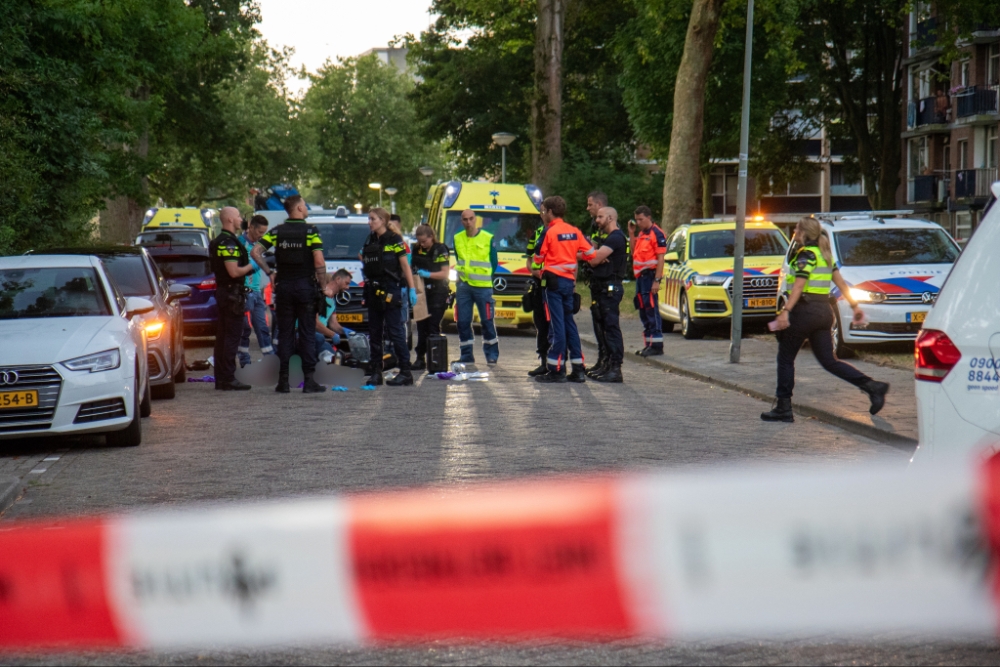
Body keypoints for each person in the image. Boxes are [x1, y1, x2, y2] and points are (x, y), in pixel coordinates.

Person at [761, 217, 890, 422]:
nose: (794, 231)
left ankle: (783, 407)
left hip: (804, 312)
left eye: (796, 228)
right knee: (829, 362)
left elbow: (799, 286)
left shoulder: (806, 255)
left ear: (803, 232)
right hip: (823, 312)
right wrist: (855, 306)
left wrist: (786, 310)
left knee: (785, 358)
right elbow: (840, 284)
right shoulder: (825, 255)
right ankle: (872, 386)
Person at [251, 195, 327, 394]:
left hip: (284, 288)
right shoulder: (311, 232)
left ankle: (283, 381)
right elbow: (318, 261)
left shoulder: (277, 232)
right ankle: (309, 380)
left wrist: (270, 272)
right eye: (305, 205)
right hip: (305, 288)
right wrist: (323, 286)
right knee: (307, 333)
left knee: (284, 334)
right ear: (300, 208)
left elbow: (256, 252)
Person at [531, 195, 595, 383]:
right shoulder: (574, 231)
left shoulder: (549, 232)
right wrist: (569, 253)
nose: (543, 214)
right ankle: (578, 368)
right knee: (569, 325)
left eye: (544, 211)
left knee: (557, 326)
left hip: (553, 284)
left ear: (550, 212)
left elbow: (537, 259)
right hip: (569, 283)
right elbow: (590, 253)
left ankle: (556, 369)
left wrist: (551, 257)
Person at [362, 207, 417, 386]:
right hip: (373, 291)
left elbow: (405, 266)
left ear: (383, 221)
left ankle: (406, 372)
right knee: (375, 332)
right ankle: (376, 372)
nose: (369, 222)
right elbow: (364, 258)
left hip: (390, 290)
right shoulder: (370, 239)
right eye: (369, 219)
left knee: (396, 332)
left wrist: (411, 288)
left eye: (373, 219)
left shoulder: (395, 240)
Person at [209, 207, 256, 391]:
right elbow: (233, 271)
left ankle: (221, 378)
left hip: (225, 293)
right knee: (231, 336)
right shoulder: (228, 243)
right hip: (231, 294)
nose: (240, 219)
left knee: (222, 336)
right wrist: (252, 266)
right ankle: (228, 378)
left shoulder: (219, 241)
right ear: (229, 219)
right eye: (237, 216)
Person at [585, 206, 628, 382]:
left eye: (601, 217)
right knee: (602, 328)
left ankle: (616, 368)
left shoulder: (616, 237)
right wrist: (595, 255)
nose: (597, 220)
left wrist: (594, 256)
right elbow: (595, 257)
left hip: (611, 288)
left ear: (610, 218)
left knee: (611, 328)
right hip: (602, 288)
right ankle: (607, 364)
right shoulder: (609, 239)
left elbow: (594, 260)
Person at [453, 209, 500, 365]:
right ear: (462, 221)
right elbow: (460, 260)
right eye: (465, 219)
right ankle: (467, 355)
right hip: (464, 286)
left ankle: (492, 354)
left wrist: (485, 277)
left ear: (475, 220)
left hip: (483, 287)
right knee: (462, 321)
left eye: (471, 219)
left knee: (487, 321)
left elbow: (494, 262)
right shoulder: (457, 238)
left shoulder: (487, 238)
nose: (468, 222)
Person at [410, 224, 450, 371]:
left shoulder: (440, 249)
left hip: (437, 293)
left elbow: (444, 273)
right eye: (419, 241)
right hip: (421, 292)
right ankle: (420, 358)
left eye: (424, 241)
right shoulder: (417, 248)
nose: (422, 244)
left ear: (431, 237)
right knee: (421, 327)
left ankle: (435, 359)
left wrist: (428, 275)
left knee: (432, 327)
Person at [628, 205, 667, 357]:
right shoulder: (642, 234)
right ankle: (649, 343)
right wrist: (631, 234)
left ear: (649, 217)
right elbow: (634, 253)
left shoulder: (657, 234)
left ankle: (657, 345)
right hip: (640, 278)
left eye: (641, 219)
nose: (638, 223)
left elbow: (661, 258)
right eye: (636, 220)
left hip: (650, 276)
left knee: (651, 308)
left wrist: (657, 280)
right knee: (643, 309)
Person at [237, 215, 274, 367]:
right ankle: (245, 362)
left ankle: (271, 361)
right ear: (251, 227)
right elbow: (240, 268)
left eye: (264, 232)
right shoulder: (240, 243)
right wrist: (260, 263)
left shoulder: (259, 244)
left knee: (262, 328)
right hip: (244, 292)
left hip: (257, 291)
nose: (262, 235)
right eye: (259, 231)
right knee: (244, 329)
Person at [581, 191, 610, 374]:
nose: (588, 208)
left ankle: (608, 362)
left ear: (599, 204)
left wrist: (594, 251)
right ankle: (602, 359)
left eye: (590, 204)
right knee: (597, 321)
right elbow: (592, 249)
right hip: (595, 279)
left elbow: (597, 253)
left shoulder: (610, 230)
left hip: (606, 281)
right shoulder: (595, 226)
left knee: (606, 324)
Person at [525, 218, 550, 377]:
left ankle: (556, 362)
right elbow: (529, 258)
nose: (543, 214)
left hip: (553, 283)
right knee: (540, 323)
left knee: (553, 325)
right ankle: (543, 361)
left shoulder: (561, 231)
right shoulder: (538, 233)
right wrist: (534, 272)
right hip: (538, 283)